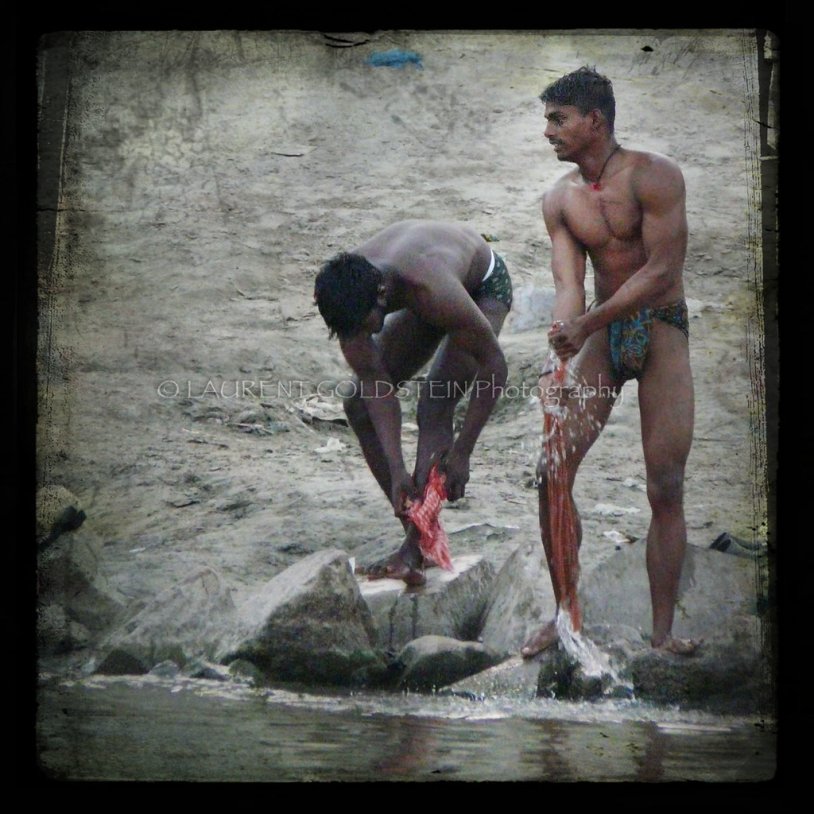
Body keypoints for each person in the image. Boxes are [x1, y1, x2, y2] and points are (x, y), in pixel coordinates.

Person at [522, 66, 700, 657]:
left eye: (558, 119)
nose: (548, 131)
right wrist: (565, 350)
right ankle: (565, 615)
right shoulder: (559, 200)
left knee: (665, 484)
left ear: (593, 121)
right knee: (552, 470)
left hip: (660, 329)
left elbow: (661, 273)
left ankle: (663, 634)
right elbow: (568, 282)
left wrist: (587, 324)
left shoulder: (655, 176)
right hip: (602, 330)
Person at [314, 220, 512, 585]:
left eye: (365, 326)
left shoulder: (429, 289)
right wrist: (397, 472)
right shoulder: (349, 300)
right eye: (350, 332)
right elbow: (376, 384)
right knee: (357, 404)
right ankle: (418, 531)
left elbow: (494, 365)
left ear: (382, 295)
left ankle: (415, 548)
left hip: (482, 284)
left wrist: (463, 452)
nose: (361, 337)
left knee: (434, 404)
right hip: (429, 287)